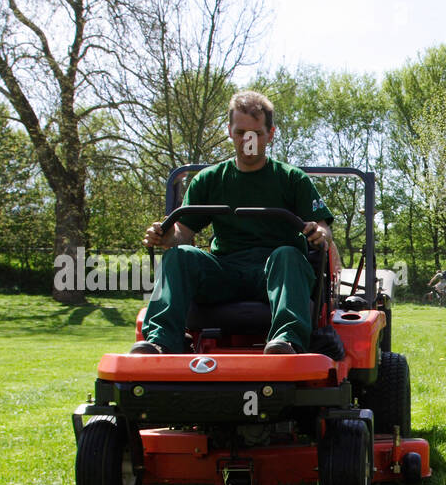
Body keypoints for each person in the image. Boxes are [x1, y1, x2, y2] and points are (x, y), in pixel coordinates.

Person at [133, 91, 336, 355]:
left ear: (270, 134)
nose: (247, 140)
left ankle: (286, 342)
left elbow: (323, 228)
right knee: (180, 256)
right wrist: (166, 237)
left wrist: (321, 232)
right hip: (224, 272)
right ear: (230, 131)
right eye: (241, 132)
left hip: (274, 273)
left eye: (256, 133)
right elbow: (182, 233)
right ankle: (161, 341)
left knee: (288, 254)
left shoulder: (291, 179)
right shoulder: (209, 180)